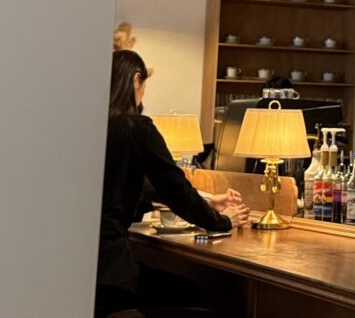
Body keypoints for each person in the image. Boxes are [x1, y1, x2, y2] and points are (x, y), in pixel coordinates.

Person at [94, 50, 250, 317]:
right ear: (135, 79)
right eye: (144, 86)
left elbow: (145, 186)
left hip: (89, 268)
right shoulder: (137, 127)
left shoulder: (97, 125)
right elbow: (175, 189)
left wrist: (210, 199)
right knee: (187, 291)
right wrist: (223, 221)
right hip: (113, 271)